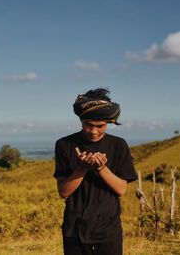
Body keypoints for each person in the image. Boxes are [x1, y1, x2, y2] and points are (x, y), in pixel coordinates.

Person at [54, 88, 137, 255]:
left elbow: (121, 189)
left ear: (109, 122)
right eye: (88, 125)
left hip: (108, 228)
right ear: (81, 120)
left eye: (100, 126)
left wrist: (101, 168)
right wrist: (82, 168)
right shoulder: (64, 145)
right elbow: (64, 192)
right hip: (74, 228)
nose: (93, 131)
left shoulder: (118, 145)